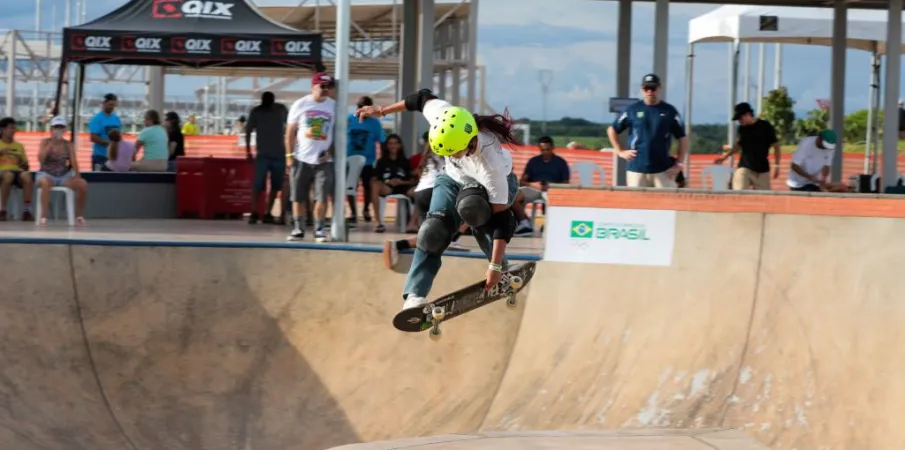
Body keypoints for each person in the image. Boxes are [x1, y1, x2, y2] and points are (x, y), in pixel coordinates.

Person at [356, 88, 522, 310]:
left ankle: (503, 268)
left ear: (469, 142)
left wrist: (494, 265)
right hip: (452, 179)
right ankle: (415, 295)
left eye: (454, 152)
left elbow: (502, 221)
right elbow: (421, 98)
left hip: (488, 187)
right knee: (432, 230)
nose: (451, 156)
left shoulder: (491, 165)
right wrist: (383, 110)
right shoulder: (446, 116)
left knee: (474, 209)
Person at [607, 73, 688, 188]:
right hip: (636, 169)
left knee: (666, 203)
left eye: (653, 88)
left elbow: (682, 138)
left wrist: (679, 162)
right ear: (642, 89)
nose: (649, 91)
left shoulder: (669, 111)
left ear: (659, 88)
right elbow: (612, 130)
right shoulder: (632, 110)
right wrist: (620, 151)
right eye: (646, 88)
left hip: (663, 170)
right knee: (637, 203)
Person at [285, 72, 337, 242]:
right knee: (298, 195)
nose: (325, 90)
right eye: (322, 86)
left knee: (321, 196)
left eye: (328, 87)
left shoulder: (333, 106)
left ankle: (319, 229)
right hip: (301, 158)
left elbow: (337, 132)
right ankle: (298, 228)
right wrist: (289, 155)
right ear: (313, 86)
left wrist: (330, 151)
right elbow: (290, 132)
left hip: (323, 160)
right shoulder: (300, 104)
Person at [715, 102, 780, 190]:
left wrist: (776, 165)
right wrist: (724, 157)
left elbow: (776, 146)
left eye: (740, 118)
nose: (739, 121)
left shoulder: (765, 126)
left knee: (764, 199)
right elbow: (738, 145)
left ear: (748, 114)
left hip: (762, 170)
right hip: (745, 168)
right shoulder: (742, 129)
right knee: (739, 192)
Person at [245, 91, 289, 225]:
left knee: (276, 185)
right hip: (263, 154)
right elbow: (248, 131)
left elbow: (291, 126)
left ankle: (268, 212)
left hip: (279, 154)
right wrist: (248, 151)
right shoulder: (256, 112)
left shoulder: (281, 109)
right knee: (258, 185)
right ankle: (254, 211)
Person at [35, 116, 88, 225]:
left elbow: (73, 162)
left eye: (60, 127)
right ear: (51, 129)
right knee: (45, 182)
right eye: (56, 127)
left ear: (64, 130)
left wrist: (77, 175)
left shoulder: (68, 144)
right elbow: (41, 159)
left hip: (63, 175)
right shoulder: (45, 142)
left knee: (82, 184)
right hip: (46, 173)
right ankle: (44, 217)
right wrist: (51, 144)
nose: (58, 130)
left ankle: (79, 215)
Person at [347, 96, 386, 226]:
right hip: (350, 159)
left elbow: (381, 141)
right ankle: (353, 212)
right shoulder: (349, 120)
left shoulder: (375, 122)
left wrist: (381, 161)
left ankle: (365, 209)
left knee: (368, 187)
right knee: (351, 186)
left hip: (368, 161)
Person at [370, 134, 417, 233]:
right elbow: (376, 178)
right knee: (374, 185)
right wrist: (387, 182)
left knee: (421, 190)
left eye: (396, 143)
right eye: (390, 143)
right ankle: (378, 223)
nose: (393, 146)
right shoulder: (381, 161)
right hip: (387, 187)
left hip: (404, 186)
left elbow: (412, 180)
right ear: (387, 146)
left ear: (399, 145)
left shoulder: (405, 161)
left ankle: (412, 224)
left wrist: (401, 181)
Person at [0, 116, 34, 220]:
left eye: (14, 128)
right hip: (2, 171)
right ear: (3, 129)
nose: (13, 131)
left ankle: (26, 210)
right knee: (8, 176)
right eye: (11, 128)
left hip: (16, 171)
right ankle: (3, 209)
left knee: (27, 176)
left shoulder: (19, 146)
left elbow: (26, 167)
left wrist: (21, 161)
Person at [88, 93, 121, 171]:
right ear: (104, 103)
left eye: (114, 105)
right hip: (100, 156)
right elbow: (93, 137)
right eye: (110, 104)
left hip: (113, 157)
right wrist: (108, 143)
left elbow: (119, 136)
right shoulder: (97, 119)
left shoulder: (116, 118)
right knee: (99, 180)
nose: (112, 107)